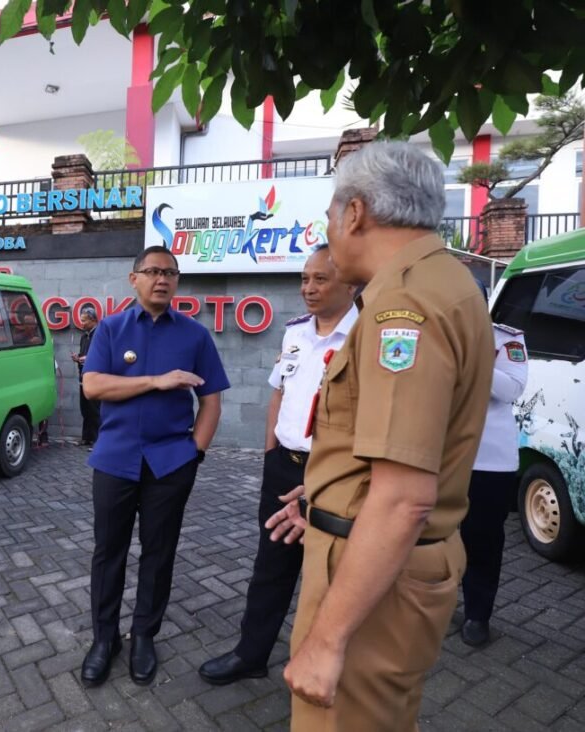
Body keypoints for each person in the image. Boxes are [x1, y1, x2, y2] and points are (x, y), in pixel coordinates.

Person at [266, 141, 493, 730]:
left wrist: (326, 641)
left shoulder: (404, 306)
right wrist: (326, 498)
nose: (328, 230)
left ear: (356, 213)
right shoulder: (444, 281)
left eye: (329, 216)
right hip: (383, 558)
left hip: (373, 574)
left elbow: (403, 498)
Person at [198, 244, 357, 685]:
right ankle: (251, 654)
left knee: (329, 572)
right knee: (270, 565)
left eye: (320, 279)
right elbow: (279, 395)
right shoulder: (295, 333)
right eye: (305, 279)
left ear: (350, 284)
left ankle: (324, 666)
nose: (309, 288)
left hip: (335, 475)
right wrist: (270, 453)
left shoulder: (365, 338)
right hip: (284, 467)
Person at [79, 245, 230, 687]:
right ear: (134, 279)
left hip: (170, 464)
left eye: (170, 273)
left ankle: (144, 634)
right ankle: (105, 639)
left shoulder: (194, 336)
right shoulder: (110, 329)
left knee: (159, 552)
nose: (162, 279)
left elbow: (211, 400)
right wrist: (155, 381)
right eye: (152, 271)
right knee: (108, 552)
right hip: (115, 460)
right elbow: (93, 386)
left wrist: (195, 454)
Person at [460, 311, 528, 647]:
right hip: (440, 455)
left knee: (482, 539)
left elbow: (512, 389)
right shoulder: (429, 332)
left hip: (489, 459)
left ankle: (477, 613)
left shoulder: (506, 338)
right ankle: (435, 603)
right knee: (434, 535)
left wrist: (473, 359)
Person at [72, 306, 101, 447]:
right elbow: (83, 354)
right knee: (85, 408)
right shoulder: (84, 336)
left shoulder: (100, 335)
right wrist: (78, 358)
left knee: (95, 409)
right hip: (83, 376)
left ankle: (98, 441)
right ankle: (86, 438)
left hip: (95, 378)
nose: (81, 323)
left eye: (84, 320)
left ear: (93, 320)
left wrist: (89, 359)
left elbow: (104, 355)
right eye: (81, 320)